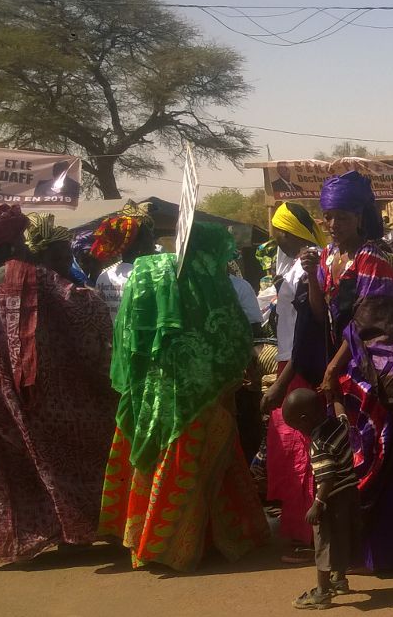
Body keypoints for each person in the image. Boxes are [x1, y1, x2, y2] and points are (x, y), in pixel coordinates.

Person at [98, 221, 268, 571]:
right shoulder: (209, 287)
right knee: (191, 469)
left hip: (156, 396)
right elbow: (235, 340)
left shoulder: (156, 278)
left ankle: (159, 540)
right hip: (201, 400)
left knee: (167, 465)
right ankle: (183, 544)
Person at [0, 204, 116, 563]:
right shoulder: (33, 275)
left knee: (5, 466)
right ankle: (76, 530)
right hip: (42, 394)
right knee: (77, 448)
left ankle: (22, 540)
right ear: (12, 241)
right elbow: (84, 309)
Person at [310, 171, 393, 573]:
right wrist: (311, 276)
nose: (333, 224)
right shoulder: (327, 257)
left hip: (371, 372)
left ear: (359, 217)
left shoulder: (372, 260)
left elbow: (369, 323)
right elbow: (319, 311)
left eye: (341, 216)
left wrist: (335, 366)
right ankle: (350, 549)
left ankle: (388, 549)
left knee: (377, 454)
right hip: (341, 372)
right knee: (343, 462)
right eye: (328, 217)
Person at [257, 202, 329, 561]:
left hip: (299, 367)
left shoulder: (307, 268)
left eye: (277, 230)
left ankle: (310, 536)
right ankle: (304, 530)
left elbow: (310, 329)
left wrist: (280, 382)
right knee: (292, 452)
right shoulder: (293, 265)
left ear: (285, 232)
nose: (274, 236)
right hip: (290, 360)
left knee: (301, 452)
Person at [283, 388, 361, 609]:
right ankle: (340, 580)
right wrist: (335, 398)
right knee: (343, 537)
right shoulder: (339, 425)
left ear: (305, 419)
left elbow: (326, 478)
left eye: (297, 427)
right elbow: (342, 414)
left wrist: (317, 504)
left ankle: (322, 593)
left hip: (331, 500)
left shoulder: (319, 445)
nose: (299, 431)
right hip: (349, 494)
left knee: (323, 544)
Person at [93, 202, 158, 323]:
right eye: (150, 237)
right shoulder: (148, 276)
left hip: (113, 340)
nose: (153, 244)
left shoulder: (103, 276)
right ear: (138, 244)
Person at [24, 212, 84, 285]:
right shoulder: (32, 289)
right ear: (39, 259)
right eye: (56, 259)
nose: (64, 264)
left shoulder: (79, 282)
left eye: (68, 257)